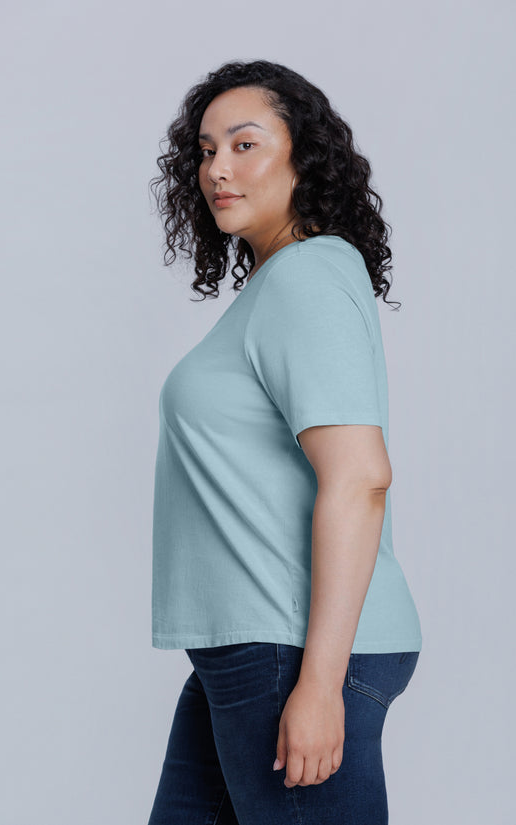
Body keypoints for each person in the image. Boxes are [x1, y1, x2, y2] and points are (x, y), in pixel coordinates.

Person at [146, 59, 422, 825]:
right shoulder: (279, 285)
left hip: (293, 650)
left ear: (306, 157)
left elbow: (361, 477)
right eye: (205, 151)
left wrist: (320, 682)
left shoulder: (306, 277)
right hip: (249, 649)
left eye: (244, 144)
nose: (217, 170)